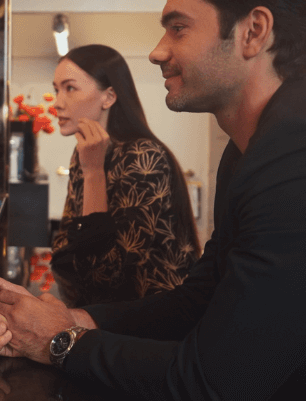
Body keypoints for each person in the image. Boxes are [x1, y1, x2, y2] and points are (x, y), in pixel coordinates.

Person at [0, 0, 306, 401]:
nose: (156, 51)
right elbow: (197, 301)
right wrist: (71, 315)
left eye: (178, 28)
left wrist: (59, 339)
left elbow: (213, 384)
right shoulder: (254, 148)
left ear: (253, 32)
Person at [48, 44, 199, 307]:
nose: (57, 103)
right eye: (56, 90)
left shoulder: (143, 156)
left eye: (70, 88)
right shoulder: (85, 153)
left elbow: (105, 276)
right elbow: (64, 252)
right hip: (104, 315)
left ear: (108, 97)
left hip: (152, 325)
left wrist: (94, 173)